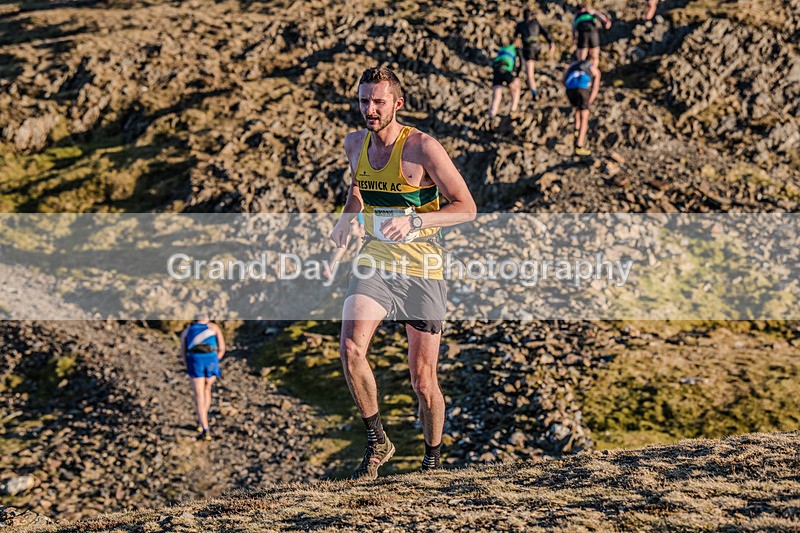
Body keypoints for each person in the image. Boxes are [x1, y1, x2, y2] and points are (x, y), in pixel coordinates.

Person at [330, 66, 476, 480]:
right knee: (351, 348)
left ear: (398, 103)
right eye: (364, 101)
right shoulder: (354, 143)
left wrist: (415, 221)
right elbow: (358, 188)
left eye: (378, 102)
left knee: (423, 380)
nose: (370, 110)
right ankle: (377, 440)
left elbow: (466, 207)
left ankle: (432, 460)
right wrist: (347, 218)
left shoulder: (423, 148)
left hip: (422, 267)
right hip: (376, 259)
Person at [179, 317, 225, 441]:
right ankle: (203, 418)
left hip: (195, 361)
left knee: (199, 395)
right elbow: (222, 349)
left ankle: (204, 427)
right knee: (207, 389)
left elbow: (182, 351)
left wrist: (187, 363)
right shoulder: (214, 327)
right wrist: (215, 360)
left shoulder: (187, 330)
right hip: (211, 360)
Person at [514, 7, 556, 101]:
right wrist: (551, 43)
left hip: (528, 49)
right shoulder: (536, 23)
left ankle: (534, 93)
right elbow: (546, 33)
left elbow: (515, 37)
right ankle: (530, 85)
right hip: (537, 48)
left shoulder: (521, 25)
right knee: (528, 68)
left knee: (529, 72)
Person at [563, 58, 602, 156]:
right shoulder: (593, 68)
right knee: (584, 117)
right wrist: (590, 100)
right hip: (583, 89)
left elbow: (564, 78)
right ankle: (579, 146)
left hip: (570, 89)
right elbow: (595, 87)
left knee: (577, 108)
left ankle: (576, 130)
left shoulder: (573, 64)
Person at [489, 45, 522, 126]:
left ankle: (492, 116)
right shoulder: (515, 49)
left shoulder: (502, 49)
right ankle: (513, 110)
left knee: (496, 95)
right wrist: (516, 75)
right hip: (505, 70)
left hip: (496, 71)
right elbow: (519, 63)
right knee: (516, 88)